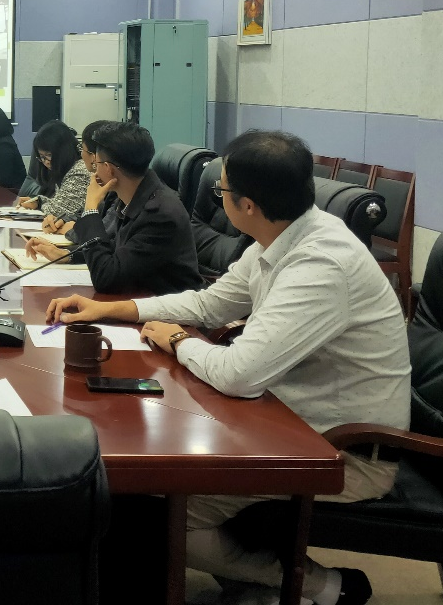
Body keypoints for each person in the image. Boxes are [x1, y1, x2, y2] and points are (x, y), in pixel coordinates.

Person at [44, 130, 410, 605]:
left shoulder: (321, 265)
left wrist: (178, 341)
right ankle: (252, 583)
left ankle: (325, 587)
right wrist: (113, 310)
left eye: (221, 191)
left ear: (248, 204)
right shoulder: (283, 236)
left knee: (164, 511)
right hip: (286, 422)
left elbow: (239, 375)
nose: (217, 199)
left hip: (342, 453)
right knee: (149, 482)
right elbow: (210, 304)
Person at [25, 122, 200, 295]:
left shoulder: (159, 214)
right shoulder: (132, 196)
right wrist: (66, 255)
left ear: (108, 169)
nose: (94, 170)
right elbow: (115, 251)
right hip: (138, 297)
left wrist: (90, 209)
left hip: (163, 306)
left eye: (97, 163)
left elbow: (106, 278)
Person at [18, 120, 91, 223]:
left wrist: (39, 205)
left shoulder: (79, 172)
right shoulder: (64, 169)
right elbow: (59, 203)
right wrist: (38, 201)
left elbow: (58, 211)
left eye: (49, 155)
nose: (46, 162)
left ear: (63, 151)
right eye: (42, 157)